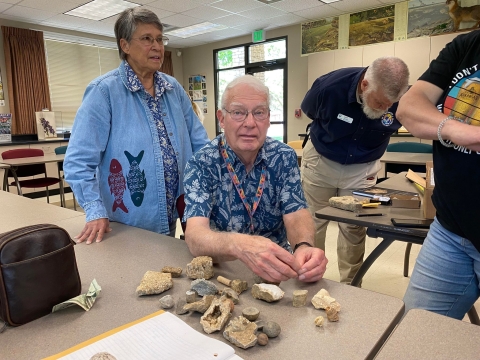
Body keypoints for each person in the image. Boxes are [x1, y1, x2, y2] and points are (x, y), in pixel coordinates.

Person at [64, 8, 209, 244]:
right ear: (125, 45)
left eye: (160, 39)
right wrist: (94, 210)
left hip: (176, 212)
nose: (157, 46)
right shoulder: (104, 92)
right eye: (147, 39)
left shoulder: (173, 89)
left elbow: (200, 143)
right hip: (127, 219)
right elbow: (78, 162)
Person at [183, 75, 328, 283]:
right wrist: (241, 246)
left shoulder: (284, 157)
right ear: (221, 119)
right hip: (224, 272)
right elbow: (195, 236)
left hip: (278, 269)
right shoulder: (202, 163)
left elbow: (296, 213)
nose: (250, 123)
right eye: (238, 112)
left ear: (268, 118)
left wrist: (303, 246)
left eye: (259, 113)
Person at [300, 57, 409, 284]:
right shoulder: (329, 87)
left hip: (363, 168)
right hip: (322, 161)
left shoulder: (403, 99)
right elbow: (308, 110)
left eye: (391, 103)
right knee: (313, 222)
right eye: (380, 102)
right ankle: (310, 276)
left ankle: (351, 284)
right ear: (365, 85)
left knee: (353, 228)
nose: (386, 108)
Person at [398, 30, 480, 320]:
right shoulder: (467, 45)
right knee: (411, 336)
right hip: (450, 231)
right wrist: (464, 133)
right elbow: (409, 108)